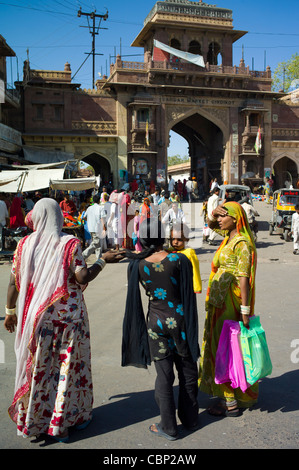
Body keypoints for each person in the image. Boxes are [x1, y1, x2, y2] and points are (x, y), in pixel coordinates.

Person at [4, 198, 124, 442]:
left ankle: (35, 422)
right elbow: (81, 277)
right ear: (59, 217)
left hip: (37, 320)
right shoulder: (69, 243)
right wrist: (103, 261)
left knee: (40, 368)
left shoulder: (24, 244)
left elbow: (12, 282)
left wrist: (9, 312)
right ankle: (62, 423)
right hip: (69, 320)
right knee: (66, 370)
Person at [122, 219, 200, 440]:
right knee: (187, 371)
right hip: (180, 321)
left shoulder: (137, 265)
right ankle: (191, 419)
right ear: (163, 236)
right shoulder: (179, 259)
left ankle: (168, 427)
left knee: (164, 376)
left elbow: (134, 302)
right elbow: (188, 296)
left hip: (155, 323)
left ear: (143, 239)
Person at [198, 201, 258, 416]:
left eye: (225, 216)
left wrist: (244, 310)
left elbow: (244, 279)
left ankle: (230, 401)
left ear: (235, 219)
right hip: (218, 302)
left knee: (225, 350)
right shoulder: (228, 237)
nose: (220, 220)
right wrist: (214, 213)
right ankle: (226, 395)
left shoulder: (242, 243)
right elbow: (211, 224)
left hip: (230, 305)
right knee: (216, 347)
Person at [169, 222, 202, 294]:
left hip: (186, 286)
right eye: (172, 239)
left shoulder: (189, 252)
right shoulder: (170, 251)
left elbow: (195, 270)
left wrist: (197, 287)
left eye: (179, 239)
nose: (175, 242)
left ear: (187, 239)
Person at [82, 194, 107, 260]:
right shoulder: (100, 208)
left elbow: (84, 217)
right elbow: (102, 219)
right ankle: (83, 255)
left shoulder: (89, 208)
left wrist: (89, 221)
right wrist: (104, 228)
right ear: (99, 200)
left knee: (97, 244)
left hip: (90, 228)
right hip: (97, 228)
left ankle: (99, 258)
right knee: (95, 243)